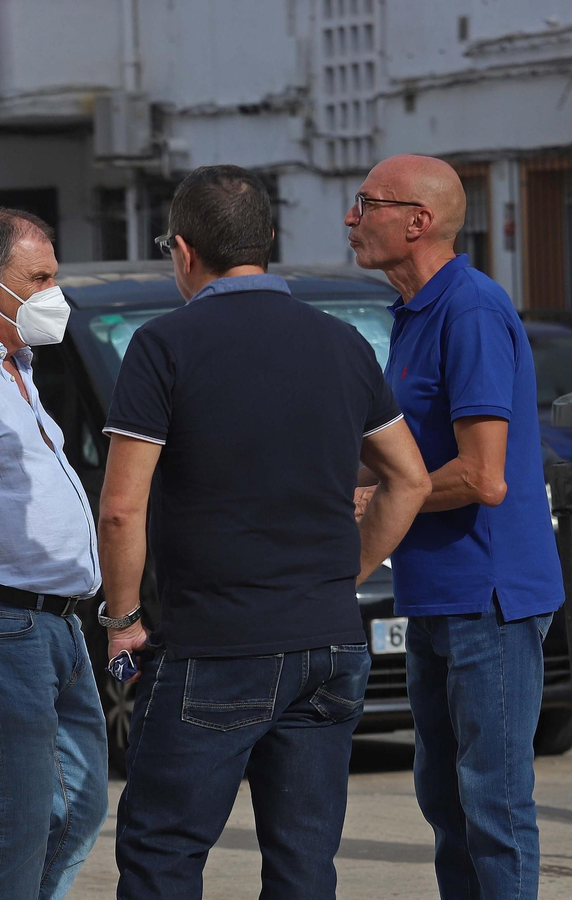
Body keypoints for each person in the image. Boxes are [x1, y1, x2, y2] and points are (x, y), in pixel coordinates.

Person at [98, 164, 432, 899]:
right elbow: (409, 478)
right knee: (304, 862)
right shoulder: (343, 345)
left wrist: (123, 621)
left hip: (216, 643)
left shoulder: (163, 346)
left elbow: (122, 506)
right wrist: (344, 573)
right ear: (268, 240)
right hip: (328, 641)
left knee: (163, 853)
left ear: (183, 251)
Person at [348, 154, 566, 900]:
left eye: (365, 203)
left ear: (418, 221)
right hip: (435, 592)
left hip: (489, 599)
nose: (351, 218)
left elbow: (483, 475)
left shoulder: (468, 309)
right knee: (445, 802)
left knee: (492, 807)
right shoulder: (410, 314)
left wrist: (384, 499)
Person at [0, 208, 108, 900]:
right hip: (0, 621)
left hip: (60, 623)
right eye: (39, 278)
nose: (53, 294)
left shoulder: (19, 367)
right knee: (17, 818)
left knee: (80, 804)